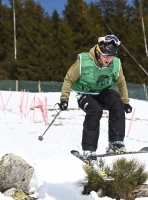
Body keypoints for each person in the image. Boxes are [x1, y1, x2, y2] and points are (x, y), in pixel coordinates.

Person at [59, 35, 132, 166]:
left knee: (116, 101)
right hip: (85, 94)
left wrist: (125, 102)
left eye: (111, 56)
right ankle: (89, 150)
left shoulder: (115, 63)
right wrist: (64, 99)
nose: (108, 59)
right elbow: (69, 78)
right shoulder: (84, 61)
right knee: (95, 110)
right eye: (105, 55)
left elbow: (121, 82)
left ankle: (116, 142)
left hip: (102, 93)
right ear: (98, 51)